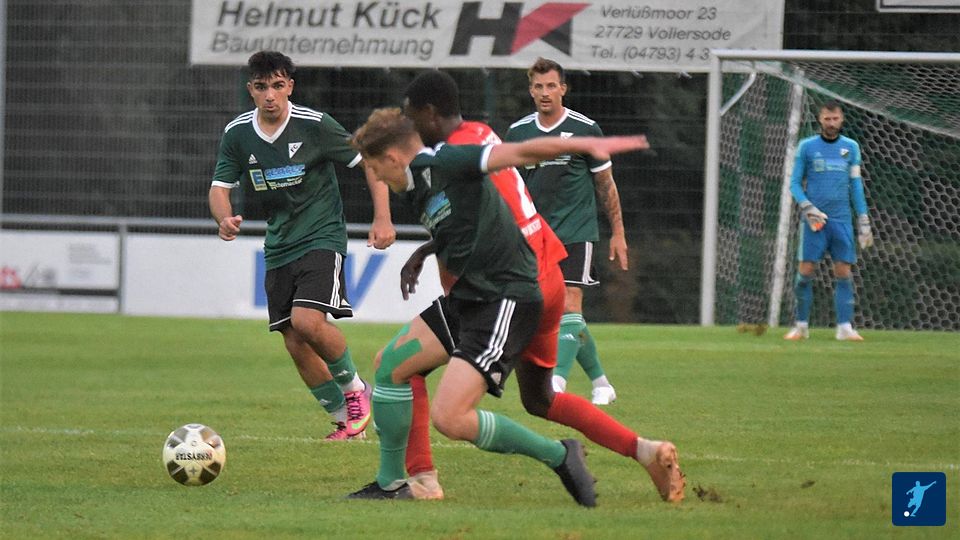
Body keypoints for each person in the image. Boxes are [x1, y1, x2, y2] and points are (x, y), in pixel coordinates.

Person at [349, 103, 684, 506]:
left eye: (374, 169)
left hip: (508, 291)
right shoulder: (428, 171)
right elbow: (475, 213)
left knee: (451, 414)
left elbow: (520, 156)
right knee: (401, 366)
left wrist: (587, 144)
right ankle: (644, 450)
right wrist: (428, 250)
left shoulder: (454, 153)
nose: (376, 179)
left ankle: (557, 456)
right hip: (498, 288)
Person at [208, 51, 396, 440]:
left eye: (278, 86)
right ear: (251, 90)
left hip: (322, 236)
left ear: (290, 87)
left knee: (307, 321)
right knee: (295, 342)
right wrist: (223, 218)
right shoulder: (238, 133)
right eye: (261, 87)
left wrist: (382, 218)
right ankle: (346, 421)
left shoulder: (315, 125)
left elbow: (371, 162)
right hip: (279, 245)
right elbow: (219, 188)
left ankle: (356, 390)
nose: (270, 95)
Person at [505, 57, 625, 404]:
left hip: (576, 231)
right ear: (531, 91)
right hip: (535, 236)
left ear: (563, 89)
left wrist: (618, 232)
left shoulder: (586, 129)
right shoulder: (518, 134)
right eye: (538, 86)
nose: (545, 93)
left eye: (551, 86)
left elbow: (606, 184)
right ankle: (601, 382)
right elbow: (508, 188)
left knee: (571, 303)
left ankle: (556, 381)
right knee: (552, 311)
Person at [783, 101, 873, 341]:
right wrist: (808, 207)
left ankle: (844, 327)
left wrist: (863, 218)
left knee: (843, 271)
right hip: (814, 221)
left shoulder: (851, 147)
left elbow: (855, 185)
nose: (831, 123)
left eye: (835, 119)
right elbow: (794, 183)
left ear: (841, 120)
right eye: (827, 119)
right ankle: (801, 326)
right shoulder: (807, 147)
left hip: (841, 220)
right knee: (806, 270)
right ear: (820, 120)